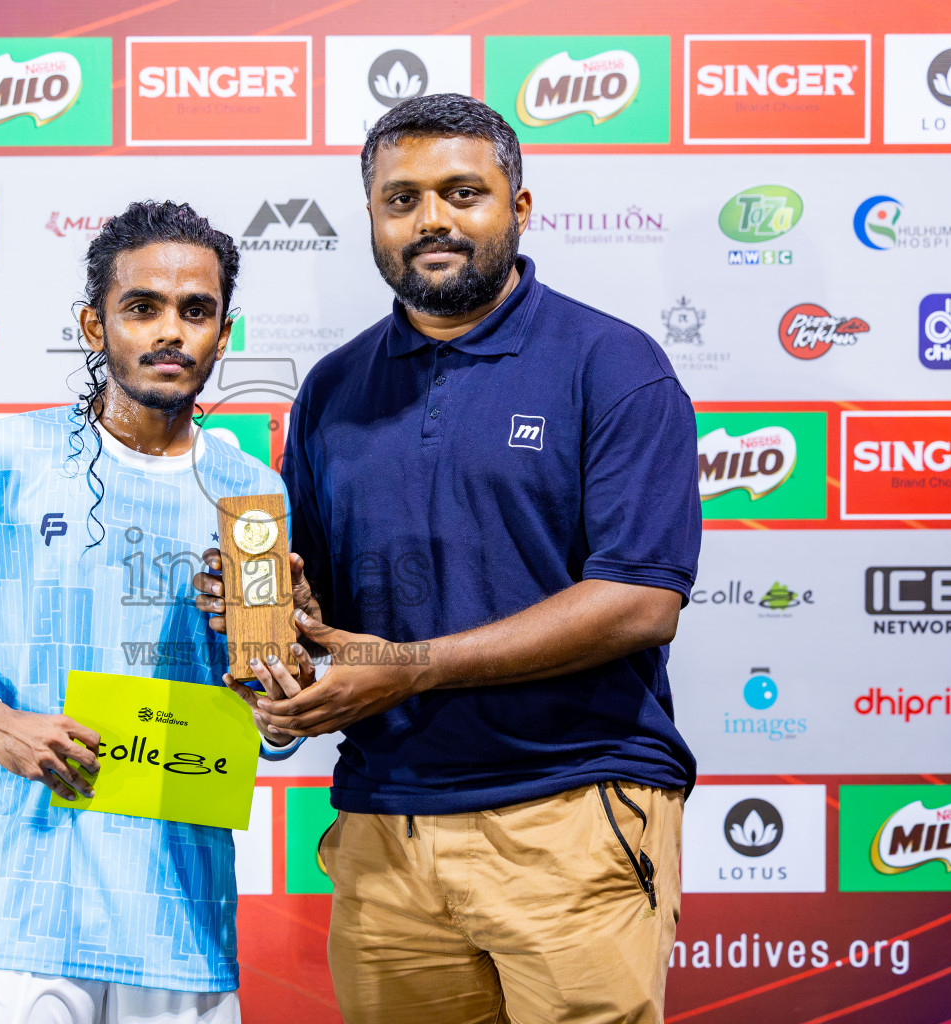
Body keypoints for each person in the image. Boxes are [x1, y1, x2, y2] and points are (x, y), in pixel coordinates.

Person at [195, 94, 701, 1023]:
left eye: (462, 192)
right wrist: (270, 618)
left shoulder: (611, 365)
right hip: (387, 823)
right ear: (374, 219)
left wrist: (407, 670)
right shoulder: (335, 387)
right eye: (402, 199)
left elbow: (639, 600)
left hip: (570, 810)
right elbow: (331, 612)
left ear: (520, 205)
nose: (432, 219)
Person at [0, 200, 305, 1024]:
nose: (172, 331)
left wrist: (284, 692)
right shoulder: (6, 456)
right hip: (29, 915)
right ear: (94, 326)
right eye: (143, 308)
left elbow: (267, 730)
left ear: (222, 336)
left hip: (183, 922)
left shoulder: (254, 493)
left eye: (195, 311)